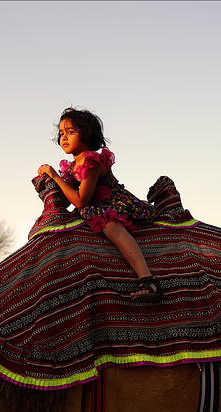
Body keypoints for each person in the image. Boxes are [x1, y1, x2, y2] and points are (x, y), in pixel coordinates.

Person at [38, 107, 163, 302]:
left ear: (87, 135)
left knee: (111, 226)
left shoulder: (92, 162)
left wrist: (54, 176)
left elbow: (80, 200)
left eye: (70, 132)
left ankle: (147, 278)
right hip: (92, 209)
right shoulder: (71, 167)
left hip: (111, 203)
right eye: (61, 133)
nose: (64, 137)